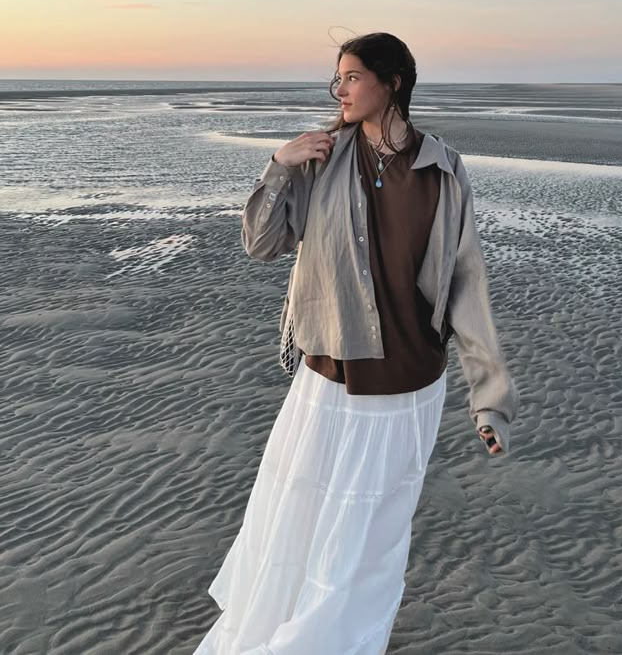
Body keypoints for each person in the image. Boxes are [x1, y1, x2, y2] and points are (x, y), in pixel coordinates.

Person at [193, 32, 519, 655]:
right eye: (335, 79)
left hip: (406, 385)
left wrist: (490, 400)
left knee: (367, 543)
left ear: (392, 81)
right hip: (328, 375)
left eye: (351, 76)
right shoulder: (319, 155)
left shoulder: (442, 170)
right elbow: (261, 245)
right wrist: (280, 164)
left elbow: (466, 282)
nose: (339, 89)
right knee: (301, 523)